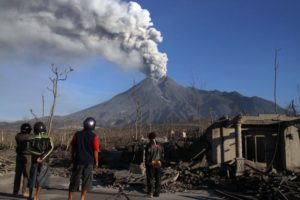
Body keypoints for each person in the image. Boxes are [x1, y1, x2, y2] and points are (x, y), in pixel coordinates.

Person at [68, 117, 100, 200]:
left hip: (78, 160)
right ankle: (82, 198)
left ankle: (70, 198)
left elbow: (73, 147)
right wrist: (96, 162)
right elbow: (96, 151)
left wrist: (72, 157)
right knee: (86, 182)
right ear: (93, 126)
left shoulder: (77, 134)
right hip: (89, 162)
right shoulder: (94, 137)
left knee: (74, 180)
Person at [27, 122, 54, 200]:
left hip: (35, 161)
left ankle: (30, 196)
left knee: (32, 178)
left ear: (35, 129)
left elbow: (29, 149)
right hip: (45, 161)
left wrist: (37, 157)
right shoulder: (49, 138)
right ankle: (36, 196)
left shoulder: (31, 139)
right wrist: (42, 157)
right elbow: (51, 148)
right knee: (41, 180)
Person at [13, 123, 32, 197]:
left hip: (19, 156)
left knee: (17, 175)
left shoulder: (17, 136)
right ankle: (24, 192)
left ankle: (15, 191)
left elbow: (18, 135)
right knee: (26, 175)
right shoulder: (30, 137)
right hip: (27, 156)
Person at [145, 132, 163, 198]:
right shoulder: (160, 145)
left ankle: (150, 193)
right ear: (155, 137)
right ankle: (157, 193)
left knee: (150, 178)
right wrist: (161, 161)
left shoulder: (149, 145)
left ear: (149, 138)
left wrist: (147, 163)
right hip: (158, 162)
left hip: (151, 163)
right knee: (158, 178)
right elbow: (162, 154)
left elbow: (147, 156)